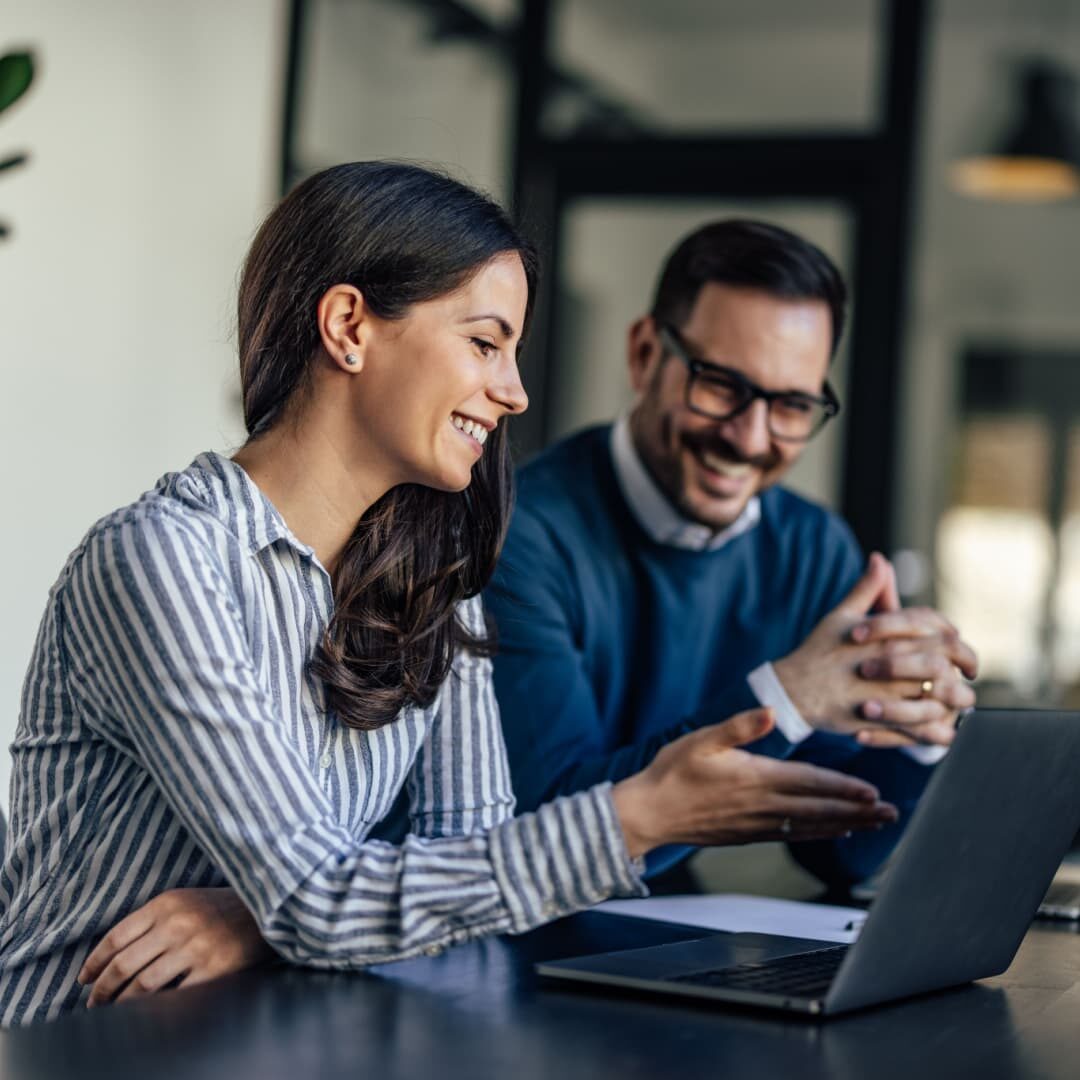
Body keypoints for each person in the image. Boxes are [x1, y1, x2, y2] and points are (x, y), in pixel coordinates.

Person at [0, 166, 898, 1025]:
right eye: (484, 343)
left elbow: (468, 865)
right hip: (75, 1043)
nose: (513, 392)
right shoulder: (161, 561)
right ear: (349, 326)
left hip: (273, 1036)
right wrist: (638, 815)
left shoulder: (436, 580)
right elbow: (317, 897)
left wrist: (268, 916)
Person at [485, 219, 977, 888]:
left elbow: (837, 853)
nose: (750, 438)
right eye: (720, 385)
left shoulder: (812, 548)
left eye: (792, 405)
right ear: (644, 354)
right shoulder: (516, 531)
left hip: (674, 941)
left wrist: (919, 730)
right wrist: (786, 700)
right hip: (515, 949)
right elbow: (544, 827)